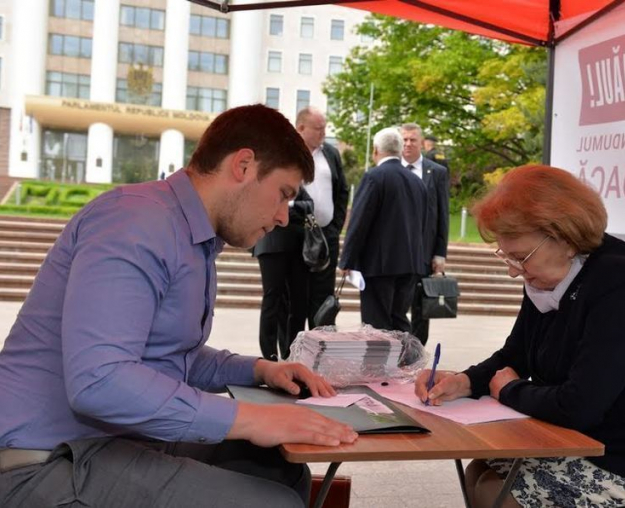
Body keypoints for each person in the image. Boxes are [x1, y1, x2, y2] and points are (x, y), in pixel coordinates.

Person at [0, 104, 358, 508]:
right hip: (39, 460)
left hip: (107, 440)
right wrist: (251, 418)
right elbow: (100, 381)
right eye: (283, 195)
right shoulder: (135, 223)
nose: (281, 217)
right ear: (243, 165)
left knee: (280, 470)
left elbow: (168, 355)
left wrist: (260, 370)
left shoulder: (191, 236)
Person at [415, 165, 625, 507]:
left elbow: (580, 406)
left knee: (498, 495)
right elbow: (515, 355)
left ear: (563, 237)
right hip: (598, 441)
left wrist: (510, 390)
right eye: (507, 256)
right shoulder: (549, 276)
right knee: (483, 472)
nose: (512, 271)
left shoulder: (624, 284)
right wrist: (465, 381)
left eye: (520, 258)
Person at [339, 127, 426, 332]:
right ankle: (405, 363)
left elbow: (359, 221)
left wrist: (346, 260)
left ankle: (381, 365)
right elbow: (422, 224)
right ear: (399, 150)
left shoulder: (374, 177)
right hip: (410, 263)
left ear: (375, 150)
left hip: (379, 265)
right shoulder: (417, 182)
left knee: (376, 323)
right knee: (399, 319)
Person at [295, 107, 349, 328]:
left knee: (324, 297)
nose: (323, 133)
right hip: (297, 235)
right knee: (297, 296)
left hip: (326, 235)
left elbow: (342, 191)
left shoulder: (330, 153)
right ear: (301, 128)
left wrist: (335, 227)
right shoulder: (289, 153)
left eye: (324, 128)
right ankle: (293, 353)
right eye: (318, 129)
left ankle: (321, 347)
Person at [252, 187, 315, 360]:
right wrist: (294, 211)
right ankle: (269, 355)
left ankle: (291, 351)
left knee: (298, 303)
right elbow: (267, 210)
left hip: (296, 249)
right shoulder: (267, 182)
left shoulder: (295, 186)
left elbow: (309, 205)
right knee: (272, 299)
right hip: (271, 246)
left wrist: (291, 205)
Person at [400, 123, 449, 345]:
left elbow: (442, 215)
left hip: (424, 254)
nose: (408, 144)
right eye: (404, 139)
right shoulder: (392, 170)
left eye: (412, 140)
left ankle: (415, 359)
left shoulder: (436, 172)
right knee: (397, 310)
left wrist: (440, 253)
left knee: (421, 313)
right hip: (396, 255)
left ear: (421, 143)